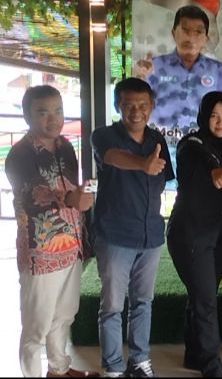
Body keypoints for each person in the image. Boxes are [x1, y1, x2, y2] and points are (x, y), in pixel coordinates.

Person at [6, 86, 99, 378]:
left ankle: (58, 370)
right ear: (27, 116)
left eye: (58, 110)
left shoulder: (66, 146)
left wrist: (84, 195)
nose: (53, 118)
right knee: (36, 325)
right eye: (43, 112)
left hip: (72, 246)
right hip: (41, 251)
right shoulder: (19, 155)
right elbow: (32, 196)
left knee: (64, 314)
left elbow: (72, 187)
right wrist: (70, 198)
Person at [91, 78, 175, 377]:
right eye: (129, 105)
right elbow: (113, 157)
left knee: (143, 303)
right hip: (115, 235)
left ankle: (140, 361)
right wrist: (142, 165)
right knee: (112, 306)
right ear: (118, 106)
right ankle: (113, 368)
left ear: (151, 106)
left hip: (150, 235)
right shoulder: (103, 135)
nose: (136, 111)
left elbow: (163, 178)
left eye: (143, 105)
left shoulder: (157, 139)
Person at [166, 91, 222, 377]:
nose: (221, 121)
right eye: (214, 115)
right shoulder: (190, 144)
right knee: (206, 300)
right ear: (203, 117)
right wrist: (214, 171)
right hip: (190, 235)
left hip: (219, 237)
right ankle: (212, 366)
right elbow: (199, 154)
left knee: (201, 296)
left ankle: (193, 355)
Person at [133, 5, 222, 172]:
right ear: (174, 33)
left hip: (206, 157)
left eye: (198, 32)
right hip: (161, 155)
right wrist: (139, 76)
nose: (191, 37)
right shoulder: (152, 68)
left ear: (206, 38)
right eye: (185, 30)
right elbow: (133, 102)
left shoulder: (221, 71)